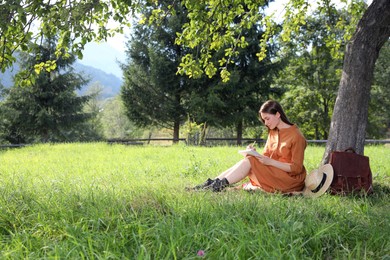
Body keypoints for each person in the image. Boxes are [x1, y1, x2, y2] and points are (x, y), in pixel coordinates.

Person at [190, 100, 307, 193]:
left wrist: (269, 161)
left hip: (289, 180)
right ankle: (213, 183)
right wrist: (254, 153)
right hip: (274, 173)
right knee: (249, 158)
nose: (265, 123)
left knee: (250, 161)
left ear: (277, 114)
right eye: (263, 119)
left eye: (267, 119)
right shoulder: (273, 131)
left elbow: (296, 168)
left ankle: (216, 186)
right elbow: (266, 156)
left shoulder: (296, 136)